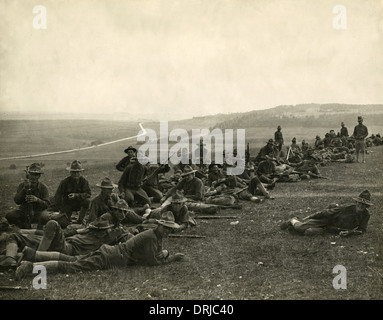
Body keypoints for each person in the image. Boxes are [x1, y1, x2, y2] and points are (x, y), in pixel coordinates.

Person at [15, 211, 185, 280]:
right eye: (166, 228)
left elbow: (152, 255)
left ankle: (33, 254)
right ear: (160, 225)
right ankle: (30, 267)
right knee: (73, 266)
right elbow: (151, 262)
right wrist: (171, 258)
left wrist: (163, 252)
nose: (168, 231)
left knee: (73, 259)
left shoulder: (155, 236)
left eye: (170, 229)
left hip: (111, 253)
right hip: (112, 257)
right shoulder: (150, 236)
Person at [18, 199, 137, 264]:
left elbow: (125, 239)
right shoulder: (104, 223)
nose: (122, 214)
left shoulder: (113, 234)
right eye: (119, 211)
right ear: (114, 211)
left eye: (124, 212)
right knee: (18, 237)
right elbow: (92, 227)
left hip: (70, 249)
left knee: (52, 225)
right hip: (68, 243)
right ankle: (20, 255)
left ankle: (36, 256)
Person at [280, 190, 372, 236]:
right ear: (356, 202)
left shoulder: (366, 215)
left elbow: (362, 230)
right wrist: (309, 217)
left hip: (331, 230)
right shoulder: (345, 208)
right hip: (325, 221)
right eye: (360, 203)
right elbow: (326, 213)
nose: (361, 206)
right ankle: (293, 220)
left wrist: (349, 232)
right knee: (300, 227)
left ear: (367, 206)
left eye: (364, 204)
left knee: (309, 232)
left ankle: (292, 228)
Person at [6, 163, 50, 229]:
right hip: (24, 211)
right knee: (10, 216)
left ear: (39, 176)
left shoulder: (43, 187)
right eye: (32, 174)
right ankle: (23, 226)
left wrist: (37, 200)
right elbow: (17, 201)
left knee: (45, 216)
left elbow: (47, 204)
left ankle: (39, 228)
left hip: (38, 212)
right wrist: (24, 189)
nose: (34, 177)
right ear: (28, 175)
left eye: (36, 175)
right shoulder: (22, 185)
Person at [53, 160, 91, 225]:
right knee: (65, 223)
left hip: (79, 203)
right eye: (74, 172)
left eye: (78, 172)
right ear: (70, 172)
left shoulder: (84, 181)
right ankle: (67, 218)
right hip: (67, 204)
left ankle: (80, 219)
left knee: (87, 201)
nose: (76, 174)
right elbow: (58, 195)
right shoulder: (64, 182)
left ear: (80, 172)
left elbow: (88, 194)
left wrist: (76, 195)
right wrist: (60, 208)